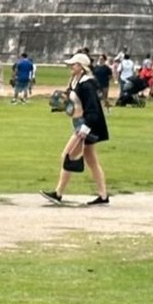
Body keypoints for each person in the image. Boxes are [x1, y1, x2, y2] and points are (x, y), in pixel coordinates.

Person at [41, 52, 110, 206]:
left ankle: (58, 193)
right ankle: (103, 195)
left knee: (67, 156)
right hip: (80, 124)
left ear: (81, 66)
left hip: (85, 126)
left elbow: (93, 109)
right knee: (92, 161)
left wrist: (85, 127)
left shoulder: (87, 85)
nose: (71, 67)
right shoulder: (76, 81)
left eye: (73, 64)